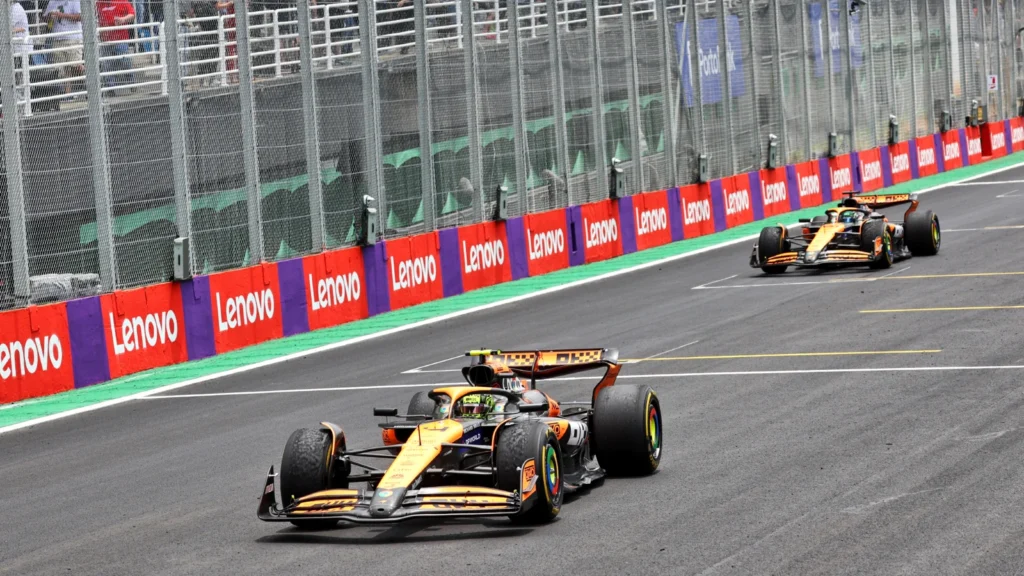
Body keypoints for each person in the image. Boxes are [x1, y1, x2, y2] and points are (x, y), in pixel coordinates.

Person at [43, 0, 83, 96]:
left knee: (75, 67)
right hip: (57, 39)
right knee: (62, 70)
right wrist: (49, 16)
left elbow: (80, 17)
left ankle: (89, 81)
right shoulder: (52, 2)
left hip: (73, 38)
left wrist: (61, 15)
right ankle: (68, 94)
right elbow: (44, 18)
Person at [97, 0, 136, 89]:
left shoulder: (122, 1)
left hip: (120, 37)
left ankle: (131, 82)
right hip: (105, 39)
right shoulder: (99, 3)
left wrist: (123, 19)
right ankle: (110, 87)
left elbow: (132, 14)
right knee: (106, 64)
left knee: (124, 61)